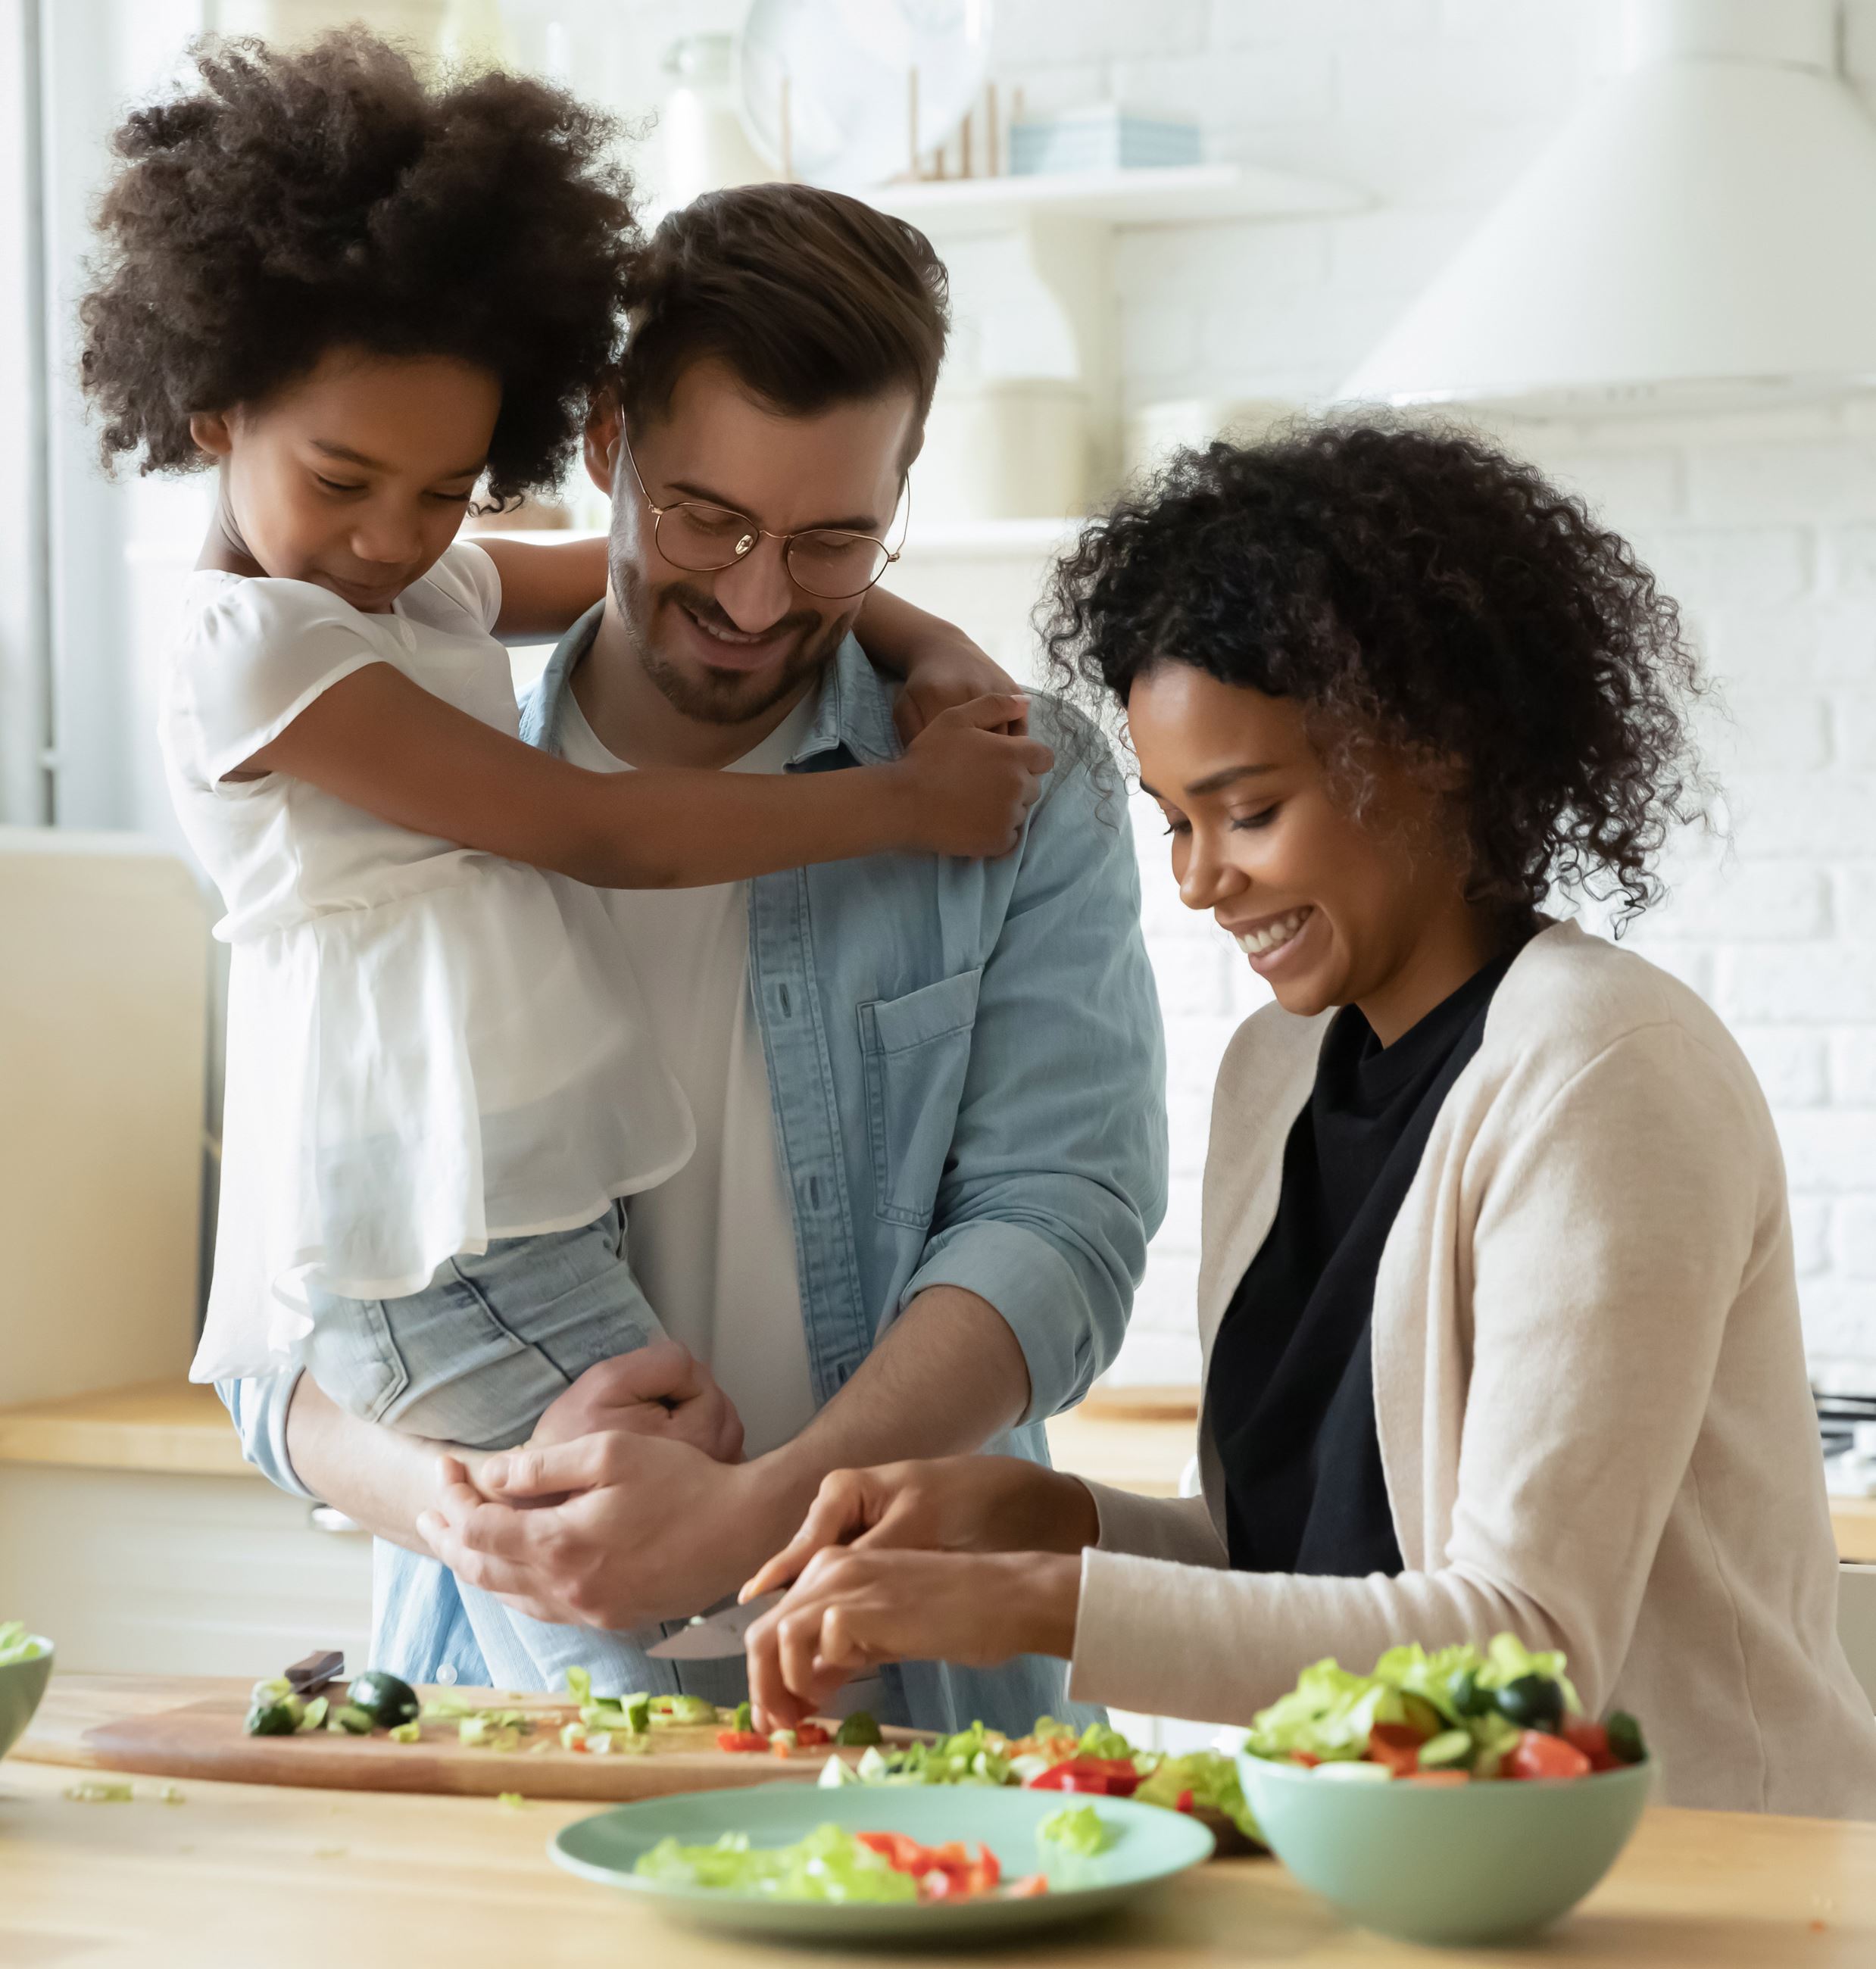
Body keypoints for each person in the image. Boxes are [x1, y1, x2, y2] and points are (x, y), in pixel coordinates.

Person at [83, 33, 1051, 1699]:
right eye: (345, 482)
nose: (398, 535)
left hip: (507, 1213)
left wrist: (923, 628)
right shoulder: (252, 650)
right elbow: (589, 828)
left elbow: (602, 576)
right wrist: (901, 806)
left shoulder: (412, 584)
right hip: (424, 1222)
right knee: (631, 1614)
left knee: (651, 1573)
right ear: (213, 406)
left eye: (446, 487)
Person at [735, 421, 1876, 1817]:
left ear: (1438, 752)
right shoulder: (1278, 1075)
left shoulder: (1600, 1070)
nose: (1201, 882)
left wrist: (1041, 1605)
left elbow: (1518, 1648)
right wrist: (1039, 1518)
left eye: (1248, 811)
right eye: (1172, 822)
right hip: (1400, 1878)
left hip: (1690, 1890)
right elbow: (1311, 1566)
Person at [223, 175, 1168, 1731]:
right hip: (491, 1704)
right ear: (606, 444)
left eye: (832, 543)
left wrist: (767, 1508)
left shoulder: (1012, 792)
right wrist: (461, 1504)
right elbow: (277, 1327)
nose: (751, 596)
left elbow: (1062, 1230)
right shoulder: (367, 790)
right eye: (705, 518)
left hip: (922, 1698)